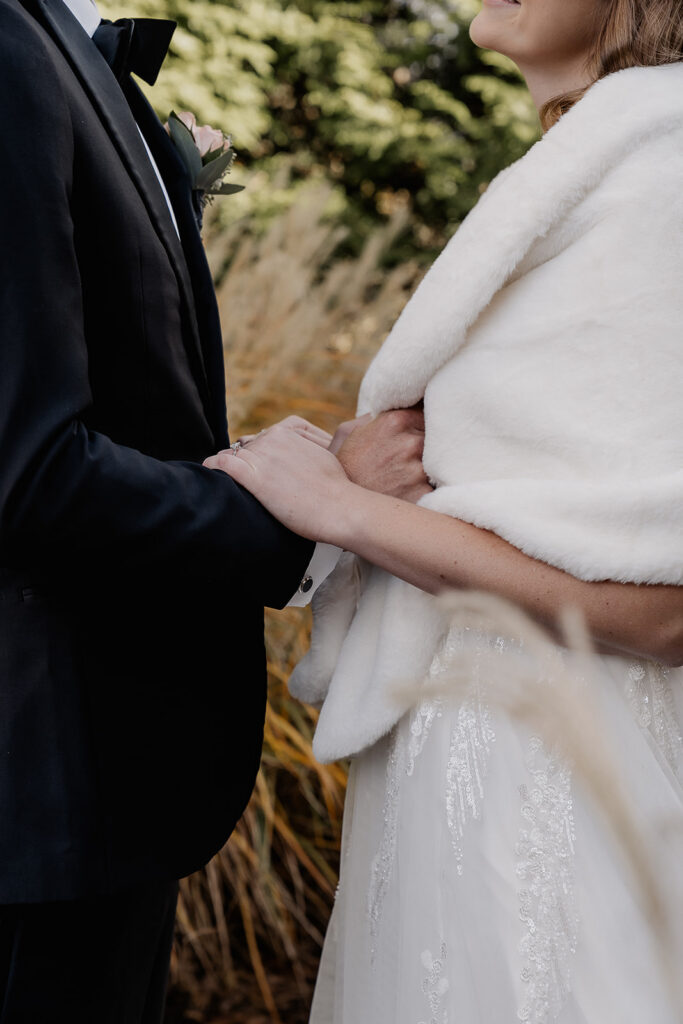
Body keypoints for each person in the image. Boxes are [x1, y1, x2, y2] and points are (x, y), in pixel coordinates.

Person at [206, 0, 683, 1020]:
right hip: (463, 761)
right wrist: (351, 463)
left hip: (555, 783)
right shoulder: (586, 166)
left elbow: (661, 605)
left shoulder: (657, 166)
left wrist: (341, 510)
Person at [0, 0, 427, 1020]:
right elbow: (27, 472)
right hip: (39, 801)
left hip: (106, 794)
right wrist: (312, 511)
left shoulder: (63, 53)